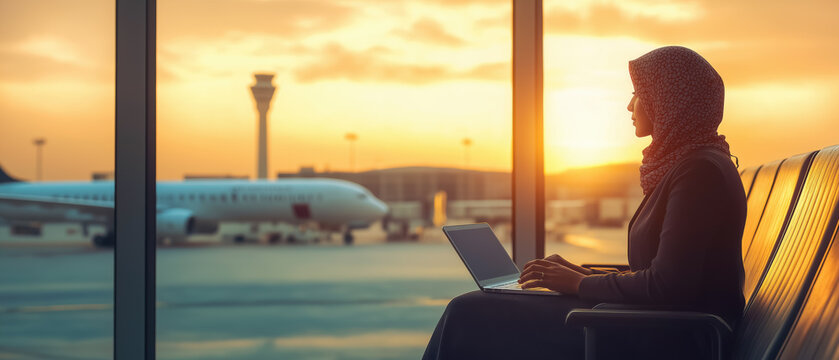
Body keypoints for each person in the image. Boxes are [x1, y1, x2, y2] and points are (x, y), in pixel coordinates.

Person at [422, 46, 747, 359]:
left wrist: (579, 283)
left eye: (638, 93)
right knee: (475, 311)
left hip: (667, 337)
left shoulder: (699, 172)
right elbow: (664, 275)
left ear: (669, 100)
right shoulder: (693, 163)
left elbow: (668, 286)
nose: (630, 105)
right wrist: (582, 273)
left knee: (469, 314)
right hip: (650, 323)